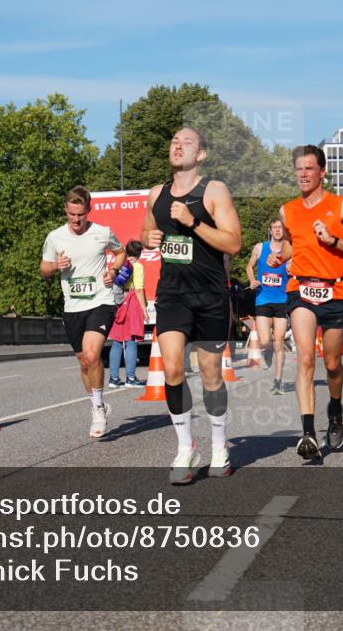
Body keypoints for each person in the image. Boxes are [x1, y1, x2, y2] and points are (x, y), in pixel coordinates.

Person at [141, 126, 241, 483]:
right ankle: (185, 447)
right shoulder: (157, 193)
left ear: (200, 155)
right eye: (173, 141)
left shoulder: (214, 191)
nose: (177, 145)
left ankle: (219, 445)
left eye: (186, 142)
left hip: (210, 296)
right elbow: (146, 231)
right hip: (172, 294)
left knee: (212, 375)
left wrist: (193, 221)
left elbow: (233, 244)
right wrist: (148, 237)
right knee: (171, 370)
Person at [275, 144, 343, 461]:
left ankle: (335, 409)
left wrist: (333, 240)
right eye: (298, 169)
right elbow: (291, 247)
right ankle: (308, 434)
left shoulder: (342, 206)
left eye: (309, 169)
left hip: (335, 292)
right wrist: (280, 256)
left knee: (331, 364)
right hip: (300, 289)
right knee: (304, 359)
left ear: (322, 172)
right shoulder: (287, 210)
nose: (302, 174)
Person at [40, 186, 126, 438]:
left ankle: (98, 409)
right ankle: (96, 403)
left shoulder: (102, 233)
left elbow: (120, 253)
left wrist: (112, 272)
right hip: (72, 306)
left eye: (81, 215)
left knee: (92, 354)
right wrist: (56, 265)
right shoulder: (55, 237)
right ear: (66, 210)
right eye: (72, 214)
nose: (76, 220)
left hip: (101, 301)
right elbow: (43, 269)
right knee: (83, 360)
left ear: (88, 211)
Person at [246, 219, 291, 394]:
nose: (278, 230)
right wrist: (252, 280)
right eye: (275, 228)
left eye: (281, 228)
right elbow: (250, 266)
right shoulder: (260, 248)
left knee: (279, 341)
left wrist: (291, 269)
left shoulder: (289, 251)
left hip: (281, 300)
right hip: (263, 299)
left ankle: (278, 380)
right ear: (270, 230)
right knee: (265, 341)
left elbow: (295, 270)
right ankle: (266, 352)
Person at [108, 240, 147, 388]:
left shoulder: (121, 266)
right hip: (132, 302)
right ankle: (130, 378)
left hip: (119, 303)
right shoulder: (138, 266)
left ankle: (113, 379)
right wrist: (144, 309)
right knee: (131, 341)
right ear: (139, 253)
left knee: (117, 341)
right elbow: (138, 289)